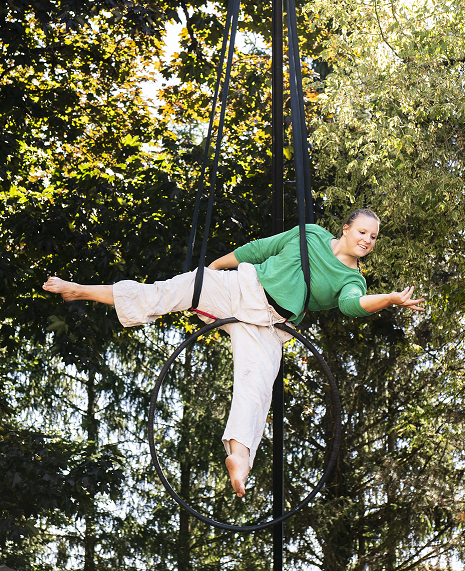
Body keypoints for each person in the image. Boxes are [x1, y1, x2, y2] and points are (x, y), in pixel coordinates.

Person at [43, 208, 424, 498]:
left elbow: (353, 305)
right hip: (242, 288)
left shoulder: (351, 278)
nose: (367, 240)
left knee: (255, 388)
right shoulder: (309, 234)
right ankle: (80, 290)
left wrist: (389, 299)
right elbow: (260, 249)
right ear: (345, 229)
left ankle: (239, 459)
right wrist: (214, 267)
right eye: (363, 232)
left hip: (269, 324)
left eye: (373, 237)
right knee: (170, 290)